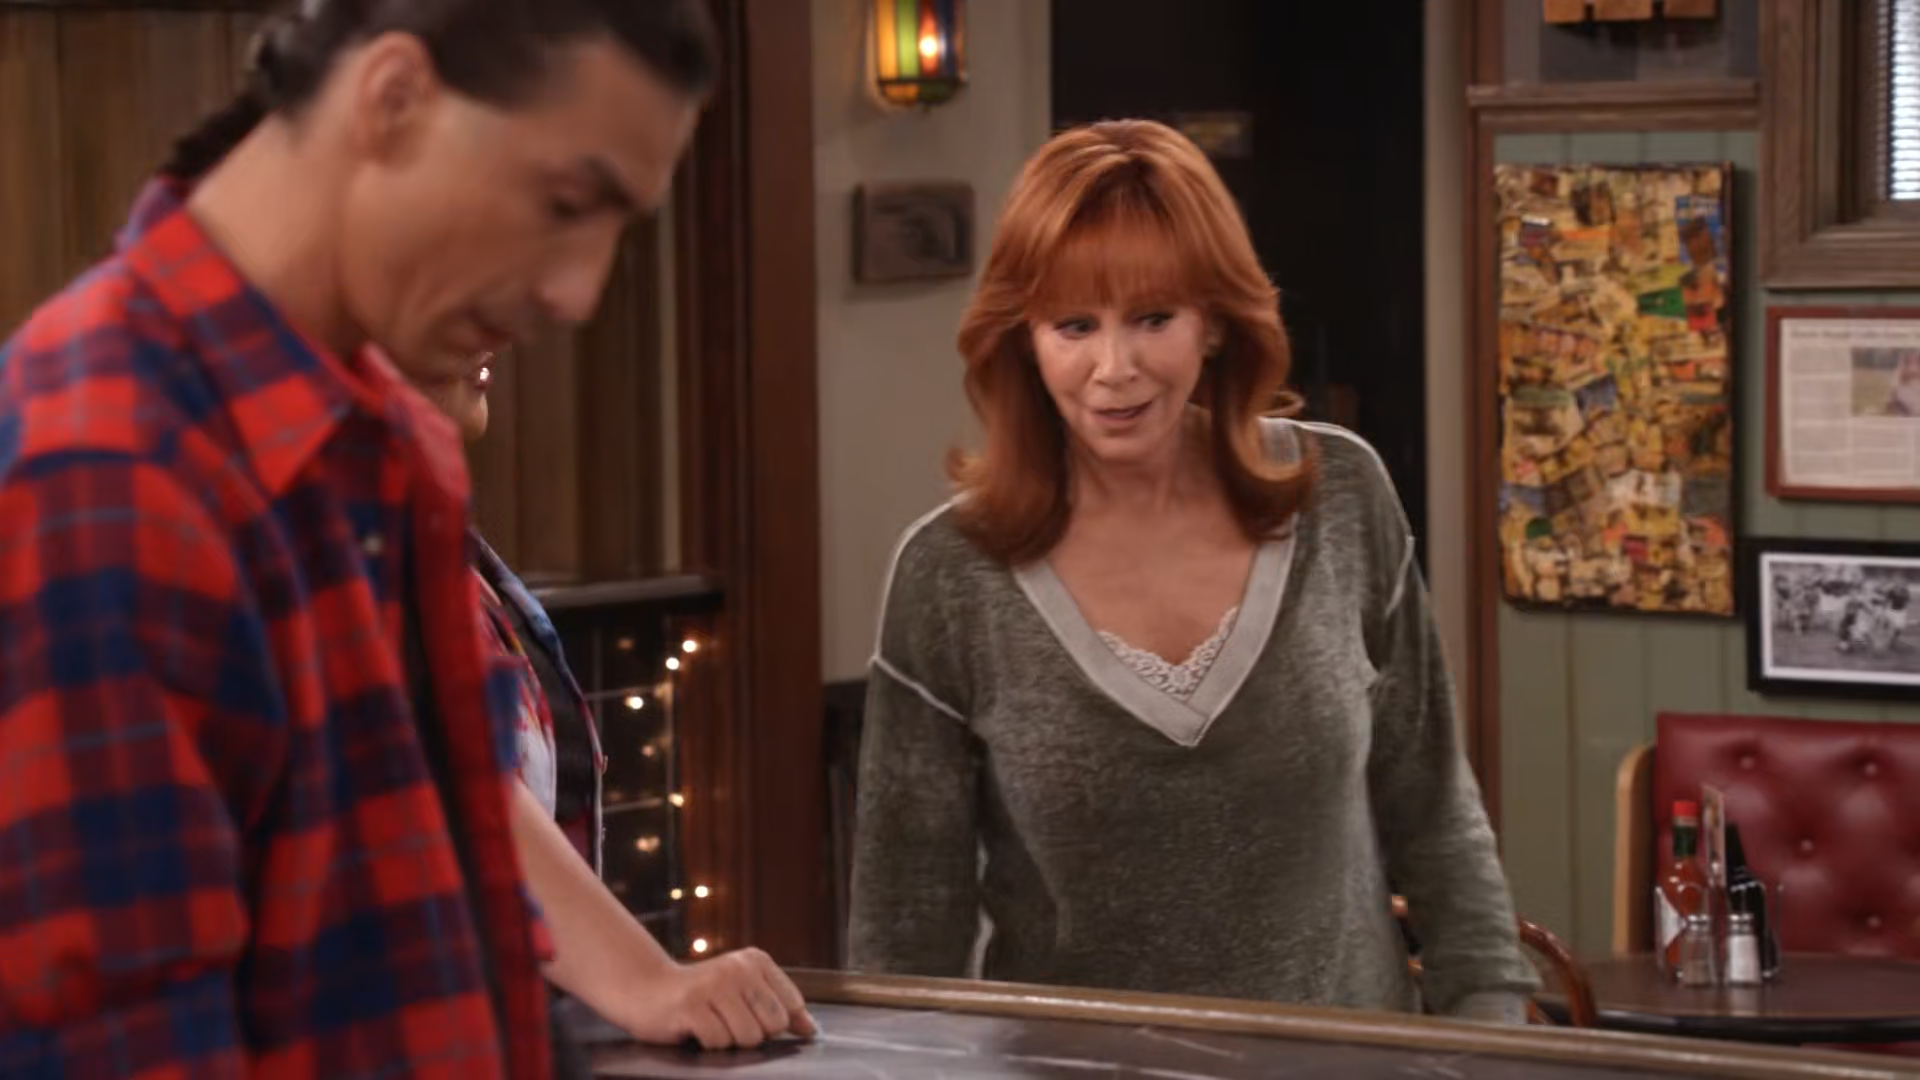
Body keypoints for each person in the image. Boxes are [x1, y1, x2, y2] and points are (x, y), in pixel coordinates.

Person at [0, 1, 786, 1075]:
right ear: (394, 98)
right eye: (563, 203)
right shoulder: (99, 467)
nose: (577, 292)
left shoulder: (395, 444)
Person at [847, 120, 1540, 1024]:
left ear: (1212, 321)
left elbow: (1436, 810)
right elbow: (904, 937)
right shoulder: (949, 575)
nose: (1115, 369)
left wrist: (1491, 1024)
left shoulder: (1340, 498)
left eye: (1153, 319)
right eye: (1075, 326)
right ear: (1025, 339)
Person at [415, 354, 816, 1050]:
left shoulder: (446, 549)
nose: (501, 334)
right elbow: (449, 782)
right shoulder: (323, 537)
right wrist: (646, 982)